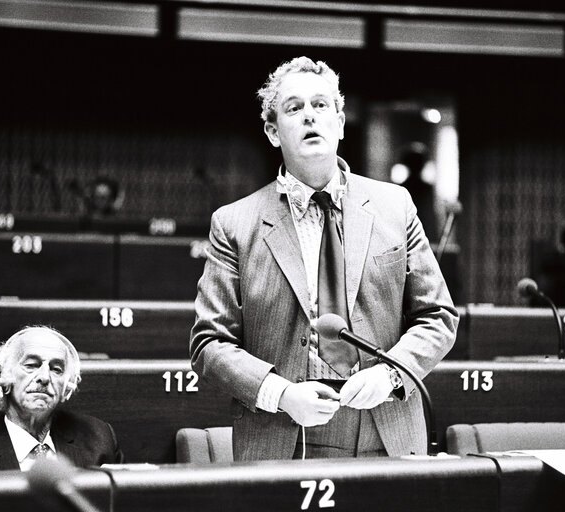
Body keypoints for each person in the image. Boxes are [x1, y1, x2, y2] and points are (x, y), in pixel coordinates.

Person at [190, 57, 458, 461]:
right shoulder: (233, 223)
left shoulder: (394, 206)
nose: (310, 116)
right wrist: (280, 394)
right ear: (272, 131)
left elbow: (438, 316)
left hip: (387, 427)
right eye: (294, 108)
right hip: (283, 430)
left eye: (321, 105)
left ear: (341, 122)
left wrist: (390, 374)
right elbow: (209, 344)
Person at [0, 326, 123, 474]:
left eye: (56, 369)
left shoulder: (100, 438)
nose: (45, 377)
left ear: (68, 386)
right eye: (31, 365)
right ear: (4, 376)